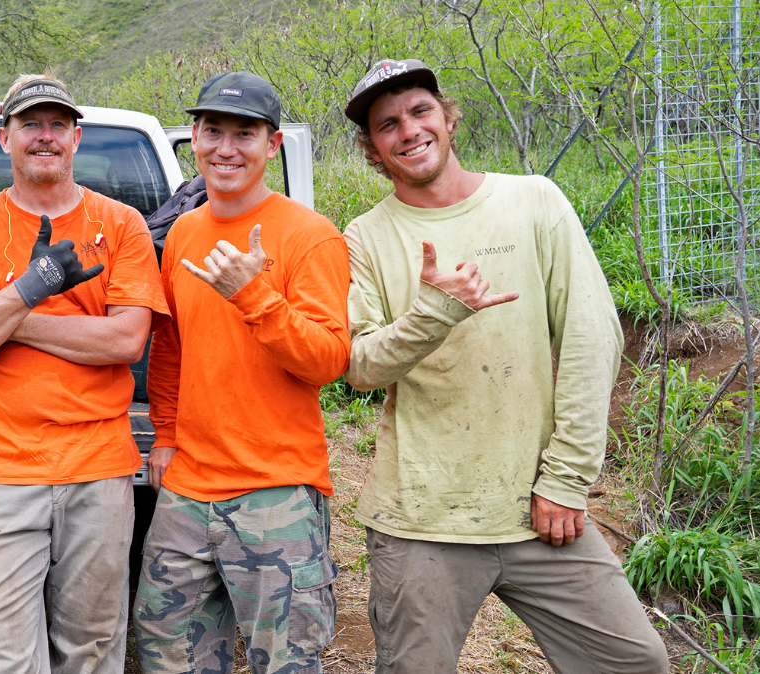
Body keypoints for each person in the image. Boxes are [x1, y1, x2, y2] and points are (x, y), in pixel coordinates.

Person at [341, 58, 669, 673]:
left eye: (419, 111)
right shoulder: (364, 236)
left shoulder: (534, 201)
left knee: (635, 662)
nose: (408, 130)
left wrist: (566, 478)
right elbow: (360, 366)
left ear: (447, 117)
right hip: (420, 519)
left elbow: (592, 337)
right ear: (373, 148)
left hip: (540, 509)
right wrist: (436, 312)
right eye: (387, 124)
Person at [0, 74, 169, 674]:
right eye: (30, 124)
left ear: (76, 138)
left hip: (100, 466)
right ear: (4, 137)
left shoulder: (122, 225)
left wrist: (4, 308)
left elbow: (126, 339)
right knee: (3, 654)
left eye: (57, 124)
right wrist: (31, 292)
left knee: (90, 647)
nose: (44, 136)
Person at [133, 71, 350, 674]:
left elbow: (328, 361)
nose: (226, 148)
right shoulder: (182, 232)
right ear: (194, 139)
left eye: (245, 134)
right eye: (213, 132)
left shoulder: (311, 237)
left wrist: (254, 295)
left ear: (273, 145)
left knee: (285, 662)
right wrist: (168, 437)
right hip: (186, 492)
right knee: (165, 653)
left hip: (275, 492)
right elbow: (170, 346)